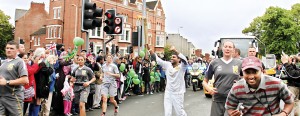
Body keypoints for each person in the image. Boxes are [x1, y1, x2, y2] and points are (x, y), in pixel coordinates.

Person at [225, 56, 294, 115]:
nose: (251, 76)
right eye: (247, 72)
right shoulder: (237, 88)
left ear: (261, 70)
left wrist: (283, 113)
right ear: (242, 72)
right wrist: (233, 114)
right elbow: (229, 107)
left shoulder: (276, 84)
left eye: (255, 72)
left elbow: (290, 102)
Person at [202, 41, 242, 116]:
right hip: (217, 99)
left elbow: (245, 79)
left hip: (233, 100)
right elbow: (204, 81)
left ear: (233, 50)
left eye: (230, 47)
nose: (227, 49)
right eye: (226, 47)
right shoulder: (214, 63)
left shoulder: (239, 63)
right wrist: (209, 89)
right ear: (222, 49)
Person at [147, 44, 188, 116]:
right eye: (171, 57)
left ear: (179, 59)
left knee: (180, 113)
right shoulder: (168, 65)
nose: (172, 58)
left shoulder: (182, 67)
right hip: (168, 92)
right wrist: (150, 50)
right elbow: (157, 59)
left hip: (178, 93)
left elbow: (185, 60)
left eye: (174, 57)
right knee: (167, 113)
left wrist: (175, 50)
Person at [0, 41, 29, 115]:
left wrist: (7, 82)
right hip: (2, 97)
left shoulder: (19, 62)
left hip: (13, 98)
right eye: (7, 48)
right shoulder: (3, 62)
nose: (9, 50)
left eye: (11, 48)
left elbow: (25, 80)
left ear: (17, 51)